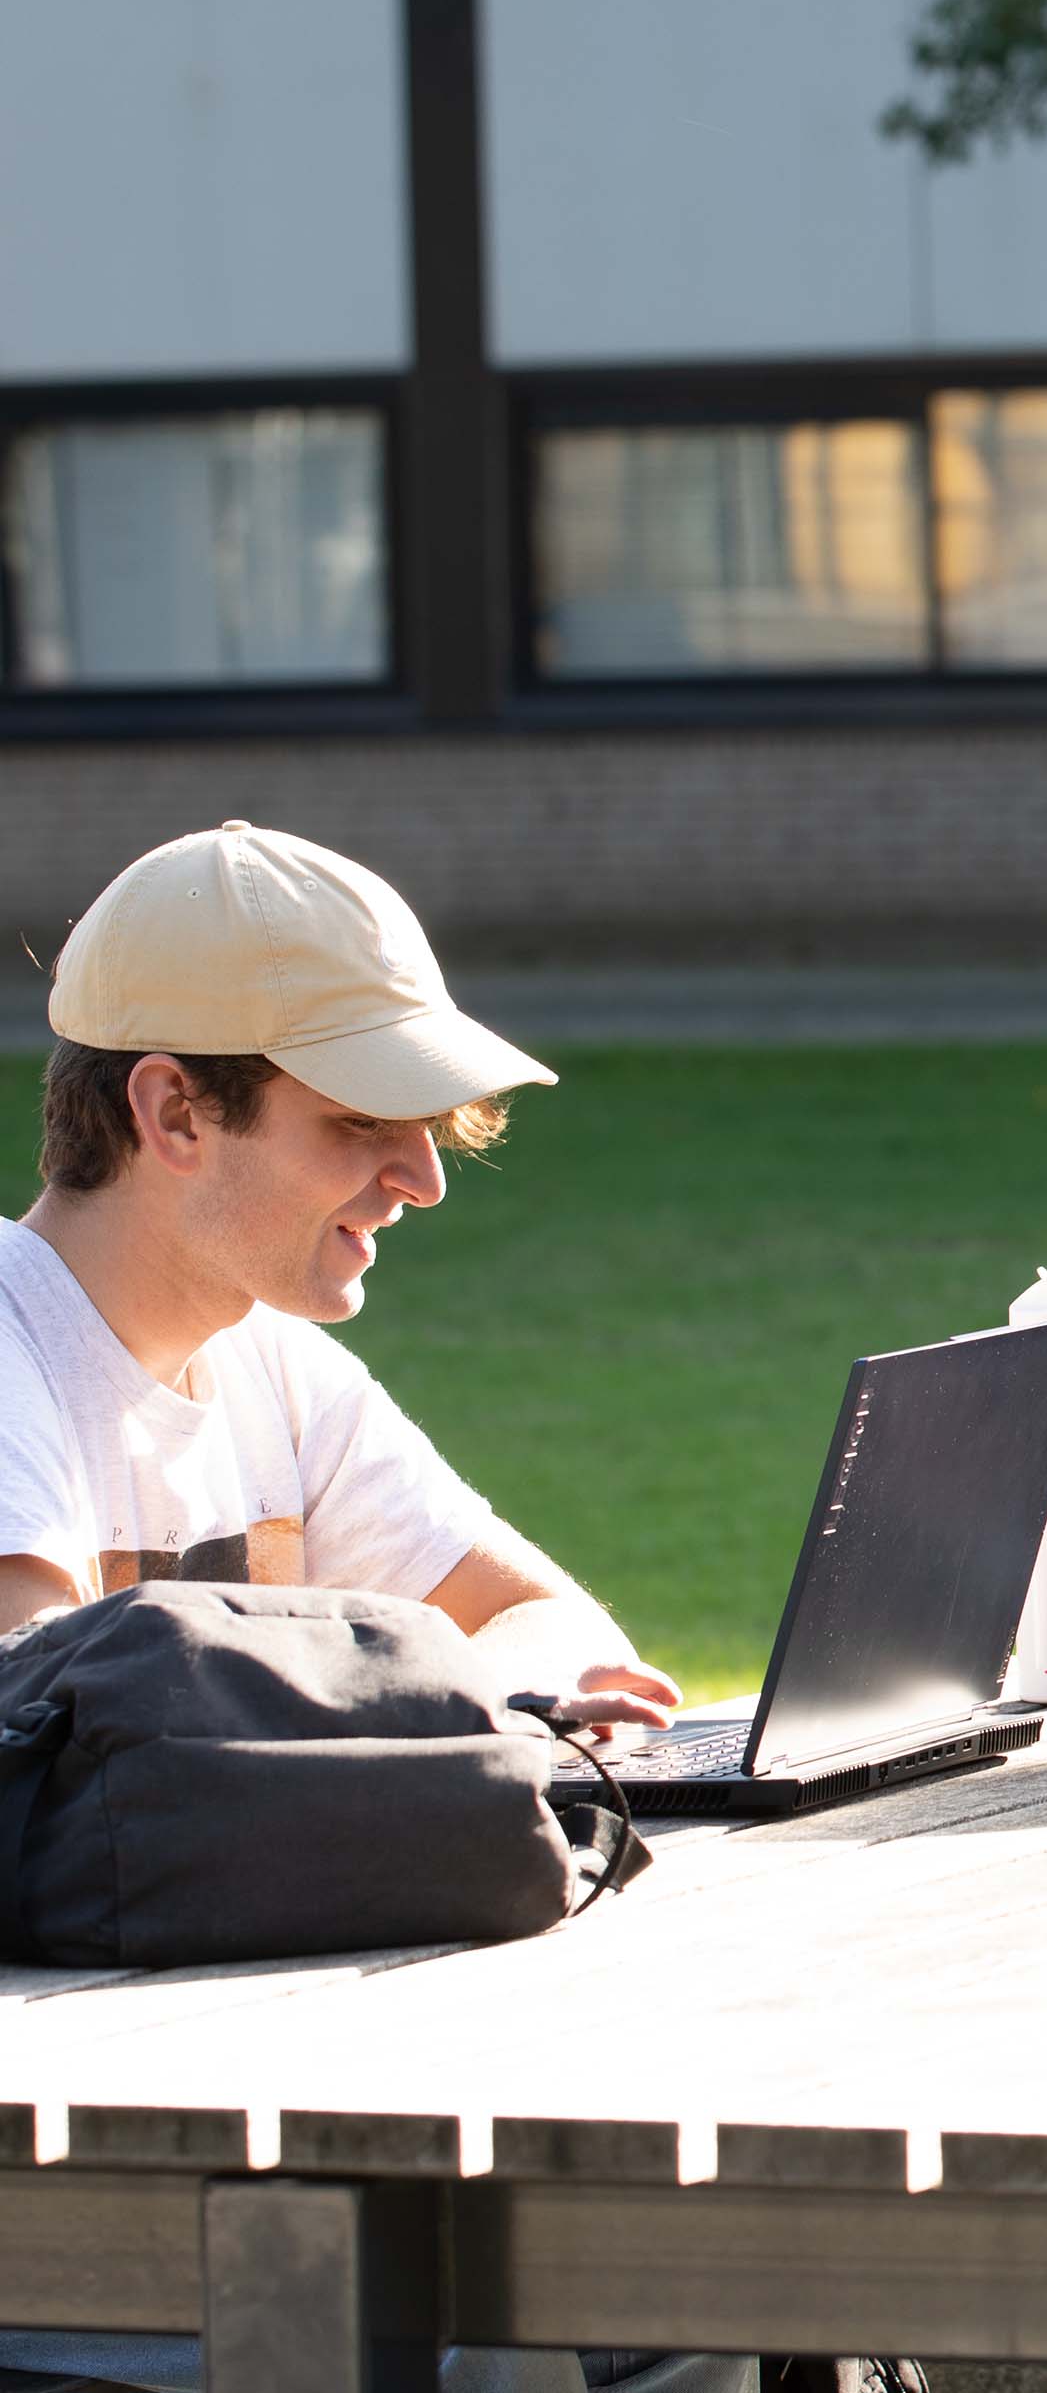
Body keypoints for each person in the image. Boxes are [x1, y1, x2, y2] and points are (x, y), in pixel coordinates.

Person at [0, 820, 742, 2393]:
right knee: (516, 2325)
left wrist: (489, 1707)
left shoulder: (276, 1363)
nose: (419, 1181)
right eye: (358, 1128)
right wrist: (467, 1720)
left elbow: (557, 1627)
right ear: (170, 1110)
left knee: (708, 2280)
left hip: (258, 2096)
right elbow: (30, 1742)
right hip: (65, 2174)